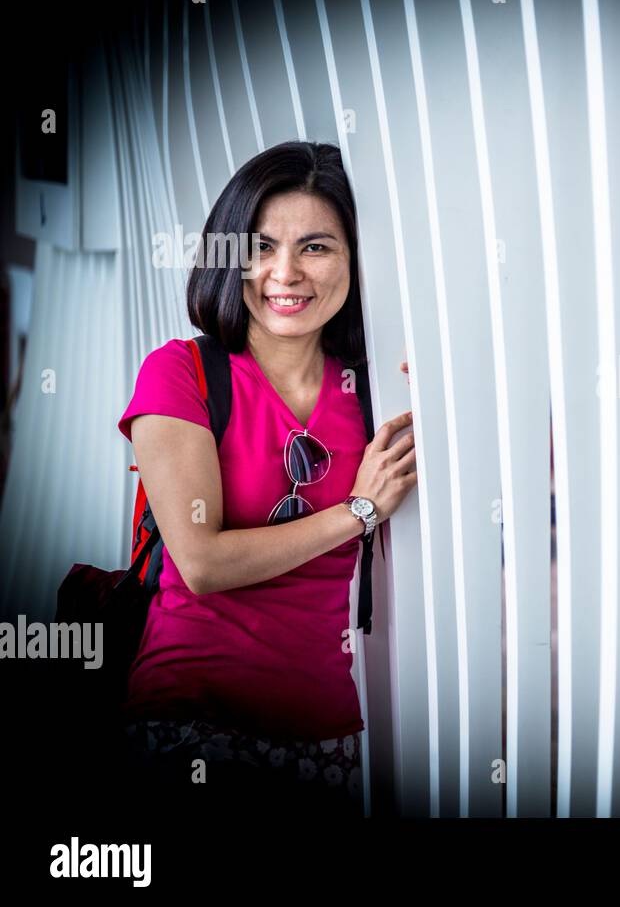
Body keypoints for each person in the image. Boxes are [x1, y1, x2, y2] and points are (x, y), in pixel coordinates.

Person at [116, 141, 418, 816]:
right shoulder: (180, 374)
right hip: (189, 716)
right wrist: (359, 510)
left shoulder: (371, 395)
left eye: (317, 247)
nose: (286, 273)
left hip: (324, 731)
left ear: (353, 261)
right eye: (261, 247)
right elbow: (201, 562)